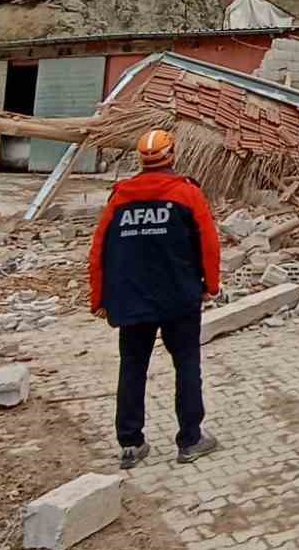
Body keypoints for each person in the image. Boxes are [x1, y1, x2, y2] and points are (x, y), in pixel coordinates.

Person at [88, 128, 222, 469]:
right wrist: (211, 284)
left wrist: (99, 296)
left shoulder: (121, 197)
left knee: (133, 366)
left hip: (132, 299)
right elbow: (208, 243)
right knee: (187, 364)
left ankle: (131, 444)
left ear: (141, 159)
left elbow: (99, 250)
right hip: (179, 297)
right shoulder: (187, 194)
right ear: (172, 155)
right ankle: (190, 439)